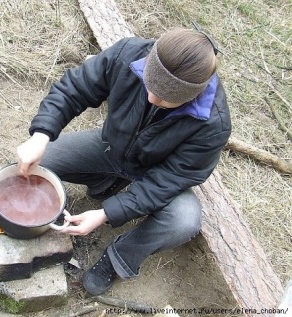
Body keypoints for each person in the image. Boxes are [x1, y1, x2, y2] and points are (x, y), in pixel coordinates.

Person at [16, 27, 231, 296]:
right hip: (109, 148)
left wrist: (106, 214)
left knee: (184, 220)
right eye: (149, 85)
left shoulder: (213, 124)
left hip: (155, 173)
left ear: (192, 95)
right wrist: (41, 135)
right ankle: (105, 181)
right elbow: (74, 89)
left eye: (166, 99)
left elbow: (169, 180)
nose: (152, 98)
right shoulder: (128, 53)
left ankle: (119, 258)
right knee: (43, 159)